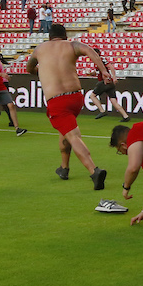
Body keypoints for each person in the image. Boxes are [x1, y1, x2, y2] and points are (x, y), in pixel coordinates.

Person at [27, 24, 112, 192]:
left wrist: (41, 70)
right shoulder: (72, 45)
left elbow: (29, 67)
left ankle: (94, 171)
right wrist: (104, 71)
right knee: (65, 132)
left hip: (57, 100)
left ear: (50, 36)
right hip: (76, 98)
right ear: (64, 36)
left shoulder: (40, 49)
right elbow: (91, 51)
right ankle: (64, 168)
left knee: (73, 136)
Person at [91, 49, 131, 122]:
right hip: (109, 82)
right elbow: (97, 72)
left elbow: (111, 67)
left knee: (92, 96)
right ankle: (126, 116)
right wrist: (90, 73)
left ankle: (102, 111)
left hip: (105, 81)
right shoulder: (97, 61)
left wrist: (114, 77)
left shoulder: (100, 59)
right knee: (113, 101)